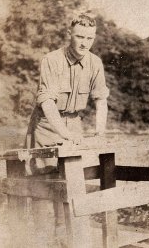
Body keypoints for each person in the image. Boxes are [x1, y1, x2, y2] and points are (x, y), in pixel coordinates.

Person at [25, 13, 109, 172]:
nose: (85, 44)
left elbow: (101, 101)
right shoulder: (52, 60)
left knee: (75, 178)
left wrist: (99, 133)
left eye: (89, 38)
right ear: (69, 34)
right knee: (43, 183)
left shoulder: (95, 63)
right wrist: (66, 134)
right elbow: (47, 103)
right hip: (47, 126)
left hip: (75, 125)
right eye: (80, 37)